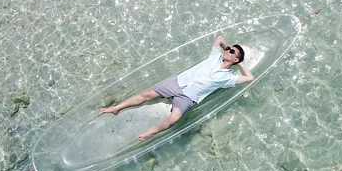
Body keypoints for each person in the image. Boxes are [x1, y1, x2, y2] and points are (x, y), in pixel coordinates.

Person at [99, 34, 254, 142]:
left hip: (189, 97)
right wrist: (228, 48)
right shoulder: (215, 56)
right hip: (178, 82)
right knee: (146, 94)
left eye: (232, 51)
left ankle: (151, 132)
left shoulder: (228, 78)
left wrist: (239, 62)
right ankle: (117, 108)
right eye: (229, 49)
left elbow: (249, 78)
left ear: (235, 58)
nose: (228, 50)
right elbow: (219, 38)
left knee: (174, 119)